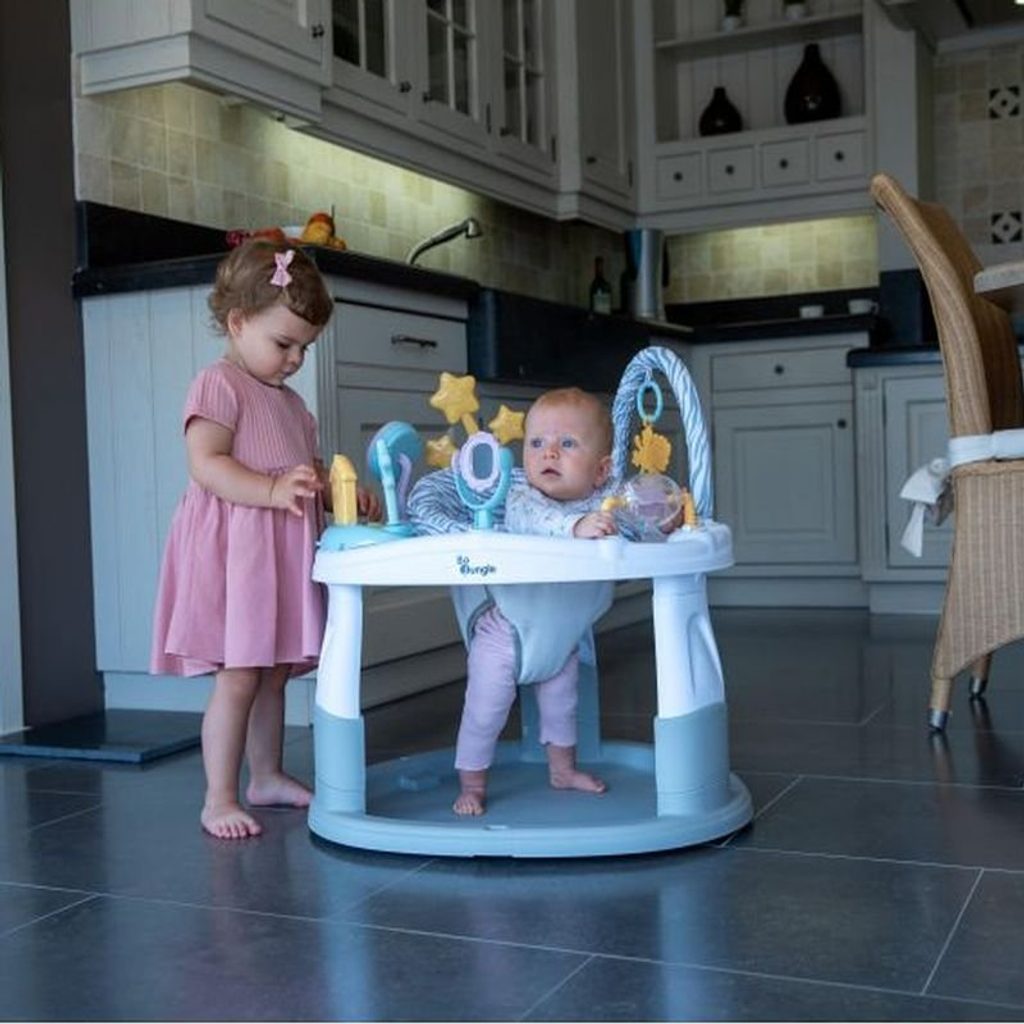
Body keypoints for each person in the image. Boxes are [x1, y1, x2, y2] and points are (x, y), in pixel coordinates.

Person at [150, 240, 379, 840]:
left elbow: (303, 471)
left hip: (278, 555)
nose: (295, 358)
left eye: (305, 347)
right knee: (240, 674)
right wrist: (272, 490)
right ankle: (218, 798)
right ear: (238, 322)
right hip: (238, 556)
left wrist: (336, 494)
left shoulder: (293, 405)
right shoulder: (218, 385)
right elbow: (207, 463)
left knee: (273, 672)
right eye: (284, 344)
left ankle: (267, 775)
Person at [453, 387, 619, 815]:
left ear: (601, 470)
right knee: (485, 711)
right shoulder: (522, 497)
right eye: (537, 442)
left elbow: (634, 519)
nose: (550, 453)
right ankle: (472, 784)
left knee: (563, 707)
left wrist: (662, 516)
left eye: (568, 443)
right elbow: (542, 523)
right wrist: (577, 528)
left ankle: (563, 771)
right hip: (508, 629)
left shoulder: (606, 503)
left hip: (561, 631)